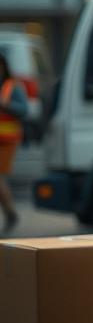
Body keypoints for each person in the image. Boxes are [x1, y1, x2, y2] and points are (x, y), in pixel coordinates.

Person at [0, 52, 29, 234]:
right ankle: (9, 212)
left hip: (7, 139)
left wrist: (7, 107)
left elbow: (25, 109)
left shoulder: (13, 86)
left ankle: (10, 212)